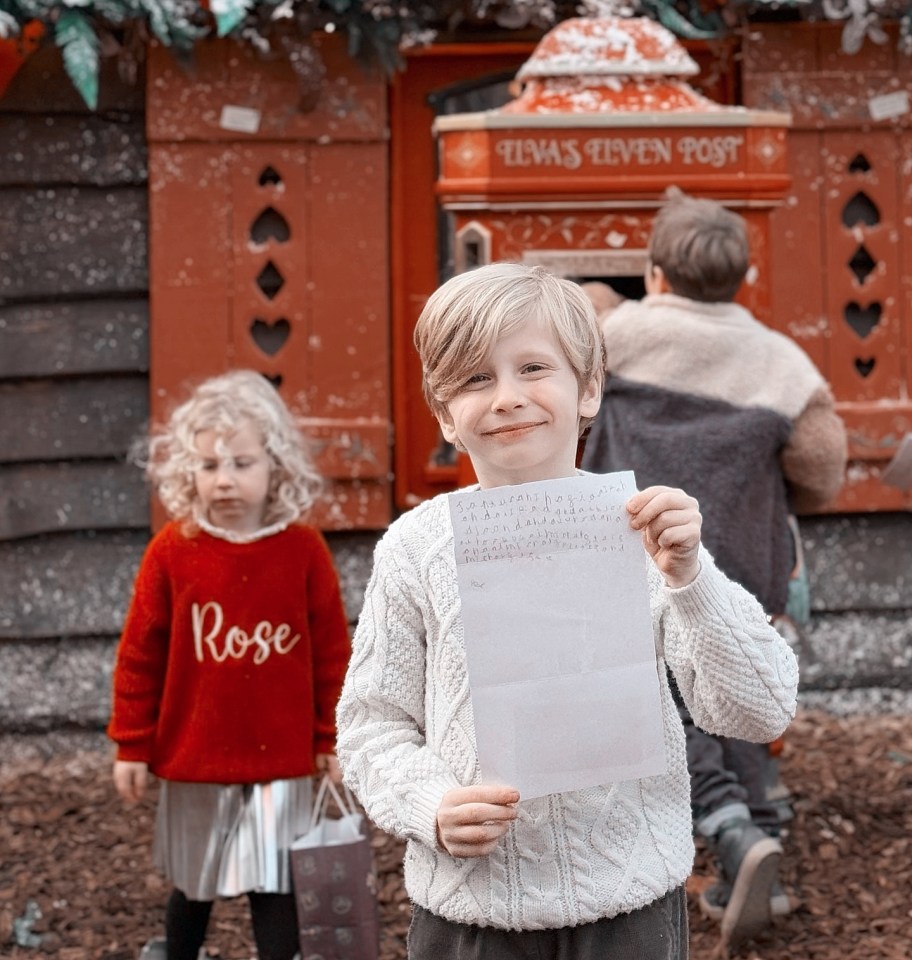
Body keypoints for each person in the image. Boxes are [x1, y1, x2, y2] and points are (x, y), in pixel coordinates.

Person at [335, 262, 799, 960]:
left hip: (631, 906)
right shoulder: (416, 549)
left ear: (588, 389)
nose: (507, 397)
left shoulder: (644, 531)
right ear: (444, 414)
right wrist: (430, 805)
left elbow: (760, 709)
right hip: (471, 910)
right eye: (475, 379)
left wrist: (691, 578)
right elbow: (373, 725)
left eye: (532, 367)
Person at [581, 193, 847, 949]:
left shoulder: (615, 335)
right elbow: (821, 469)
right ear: (746, 275)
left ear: (655, 273)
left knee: (666, 693)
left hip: (637, 547)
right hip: (742, 548)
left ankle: (728, 825)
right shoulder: (782, 363)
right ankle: (758, 843)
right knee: (735, 681)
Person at [107, 369, 351, 960]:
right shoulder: (172, 550)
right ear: (187, 472)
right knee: (194, 885)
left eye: (241, 463)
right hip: (194, 754)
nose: (224, 480)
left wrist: (332, 738)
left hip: (281, 756)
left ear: (276, 466)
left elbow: (330, 656)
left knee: (275, 884)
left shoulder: (303, 551)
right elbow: (140, 654)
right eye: (209, 465)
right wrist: (132, 745)